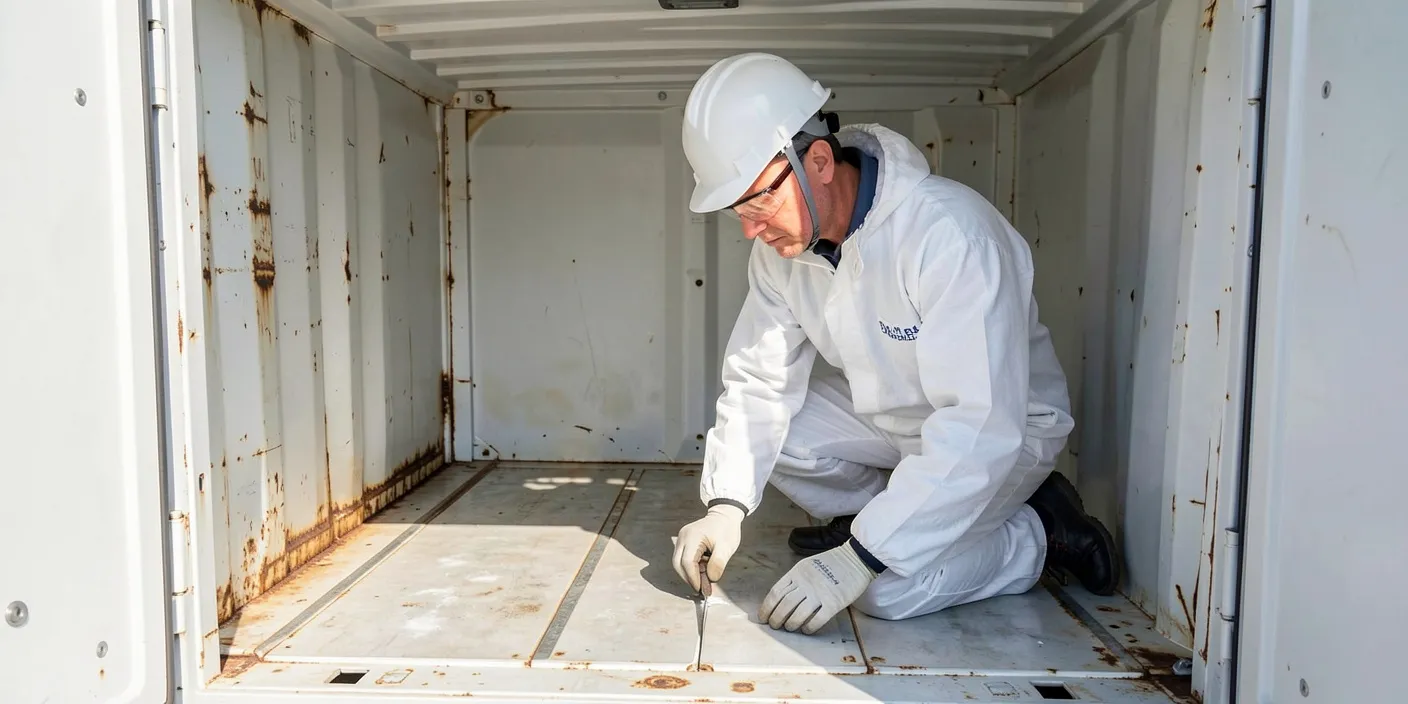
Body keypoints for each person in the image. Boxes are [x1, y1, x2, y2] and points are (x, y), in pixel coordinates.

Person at [669, 53, 1119, 635]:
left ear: (820, 162)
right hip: (898, 426)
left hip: (1005, 436)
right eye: (738, 210)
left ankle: (1040, 532)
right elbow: (759, 381)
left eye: (758, 203)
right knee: (780, 438)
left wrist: (860, 558)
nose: (750, 229)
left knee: (884, 589)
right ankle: (891, 522)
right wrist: (724, 507)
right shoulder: (781, 255)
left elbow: (981, 423)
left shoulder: (948, 234)